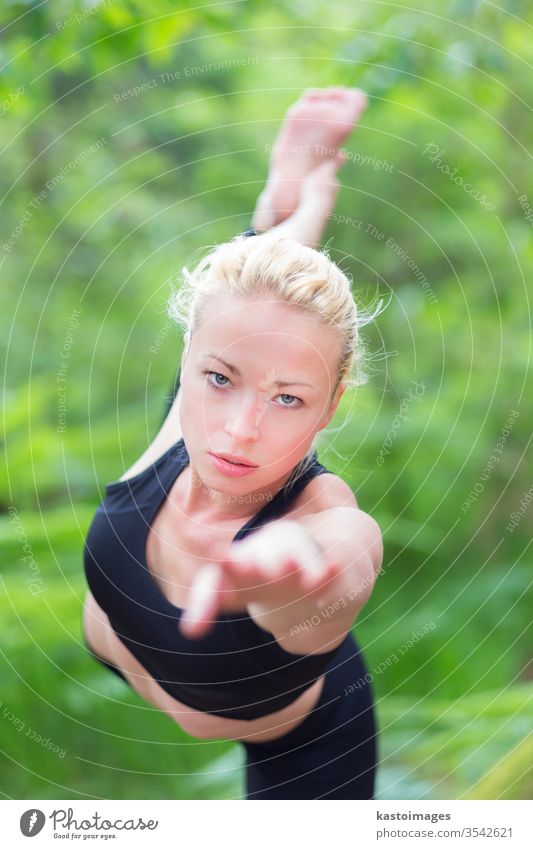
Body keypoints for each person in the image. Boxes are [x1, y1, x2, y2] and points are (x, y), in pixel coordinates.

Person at [82, 86, 383, 800]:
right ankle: (282, 212)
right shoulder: (186, 420)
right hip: (130, 648)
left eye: (289, 399)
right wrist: (285, 214)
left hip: (307, 742)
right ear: (187, 355)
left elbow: (346, 553)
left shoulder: (319, 514)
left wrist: (288, 570)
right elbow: (249, 316)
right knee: (250, 317)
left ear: (330, 406)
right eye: (218, 378)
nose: (240, 430)